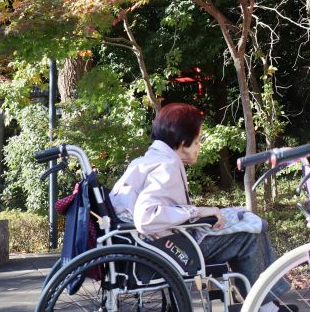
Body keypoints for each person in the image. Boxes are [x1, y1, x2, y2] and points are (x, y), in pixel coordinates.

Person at [110, 103, 296, 312]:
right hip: (171, 248)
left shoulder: (144, 161)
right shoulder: (167, 166)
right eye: (197, 141)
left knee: (242, 218)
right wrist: (196, 212)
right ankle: (266, 306)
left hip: (145, 246)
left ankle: (264, 302)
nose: (199, 146)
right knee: (251, 232)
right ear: (182, 142)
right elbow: (146, 217)